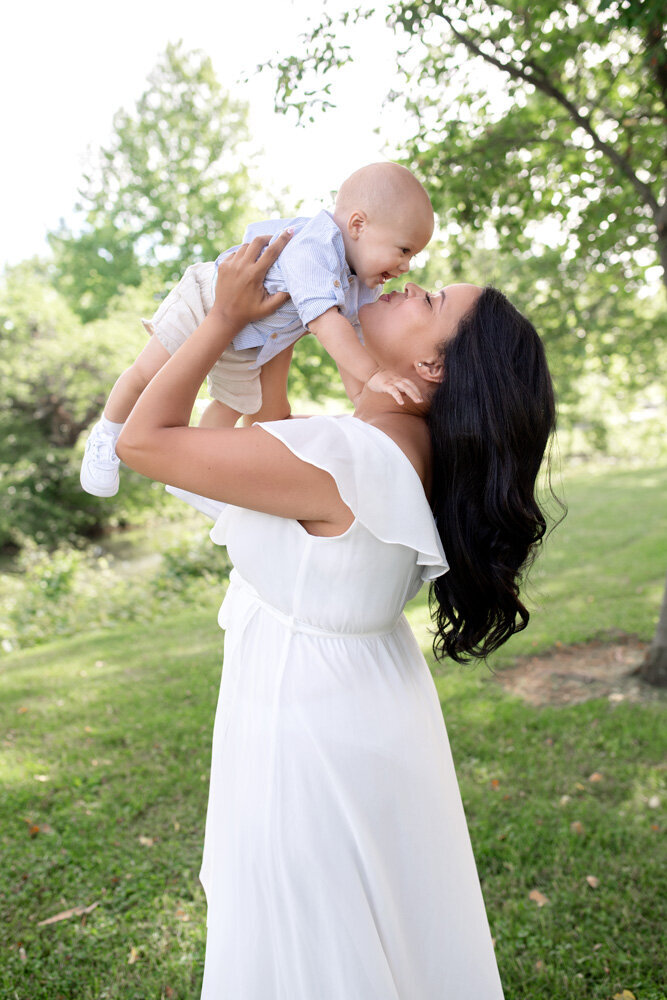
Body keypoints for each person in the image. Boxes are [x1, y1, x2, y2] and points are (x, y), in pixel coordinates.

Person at [116, 230, 556, 999]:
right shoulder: (391, 446)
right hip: (348, 711)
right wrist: (268, 347)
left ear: (430, 368)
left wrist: (219, 322)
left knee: (312, 950)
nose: (403, 284)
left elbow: (145, 443)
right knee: (361, 936)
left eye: (427, 299)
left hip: (307, 733)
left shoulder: (351, 459)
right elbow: (238, 460)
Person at [80, 162, 434, 497]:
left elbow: (352, 344)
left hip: (251, 340)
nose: (405, 267)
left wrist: (363, 405)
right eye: (403, 250)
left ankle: (194, 477)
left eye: (412, 256)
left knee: (235, 402)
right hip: (205, 300)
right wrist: (374, 374)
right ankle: (106, 433)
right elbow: (327, 323)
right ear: (358, 225)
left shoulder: (364, 285)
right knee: (148, 373)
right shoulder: (316, 245)